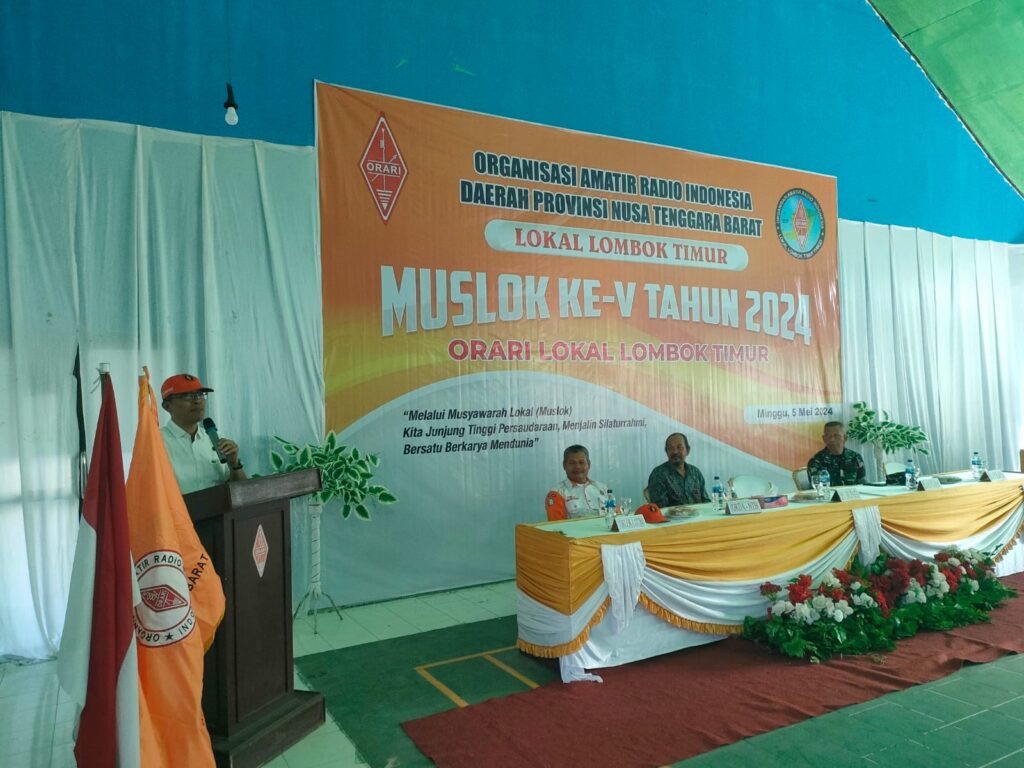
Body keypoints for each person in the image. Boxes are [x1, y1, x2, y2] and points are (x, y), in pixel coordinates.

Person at [160, 373, 247, 495]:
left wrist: (234, 464)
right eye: (188, 396)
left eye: (200, 394)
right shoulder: (156, 442)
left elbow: (242, 493)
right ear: (167, 406)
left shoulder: (214, 439)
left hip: (219, 507)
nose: (197, 401)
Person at [647, 432, 709, 506]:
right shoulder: (658, 474)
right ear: (666, 452)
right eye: (670, 448)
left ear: (687, 450)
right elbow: (660, 508)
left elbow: (706, 501)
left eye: (679, 447)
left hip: (700, 513)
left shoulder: (695, 472)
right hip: (672, 514)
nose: (675, 452)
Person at [548, 445, 610, 519]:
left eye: (581, 462)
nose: (577, 466)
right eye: (572, 463)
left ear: (589, 464)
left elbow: (611, 515)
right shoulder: (557, 493)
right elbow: (557, 525)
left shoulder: (602, 488)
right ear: (564, 465)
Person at [807, 421, 866, 486]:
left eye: (836, 436)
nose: (832, 439)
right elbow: (817, 487)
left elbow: (862, 484)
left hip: (853, 492)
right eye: (828, 436)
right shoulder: (816, 461)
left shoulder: (855, 457)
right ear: (824, 439)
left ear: (845, 438)